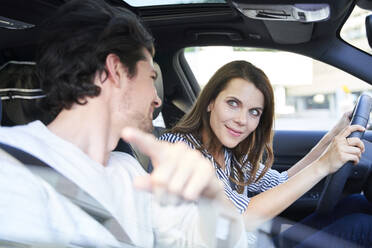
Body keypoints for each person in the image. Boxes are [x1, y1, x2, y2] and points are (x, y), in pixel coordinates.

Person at [0, 1, 247, 247]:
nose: (157, 98)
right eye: (151, 77)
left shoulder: (129, 170)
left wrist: (212, 195)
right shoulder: (11, 162)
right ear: (116, 70)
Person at [159, 60, 372, 247]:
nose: (242, 120)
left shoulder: (228, 153)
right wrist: (324, 164)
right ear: (210, 102)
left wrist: (331, 137)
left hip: (256, 240)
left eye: (254, 112)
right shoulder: (178, 148)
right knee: (363, 227)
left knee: (355, 203)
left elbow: (280, 182)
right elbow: (239, 219)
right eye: (233, 104)